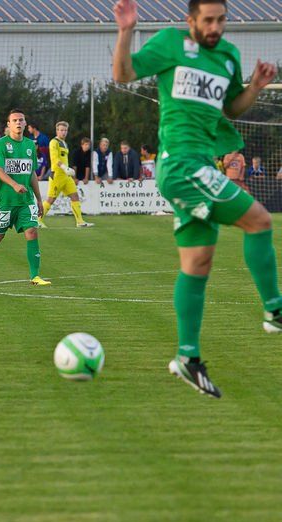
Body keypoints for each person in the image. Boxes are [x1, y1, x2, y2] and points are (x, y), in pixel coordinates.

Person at [113, 0, 282, 397]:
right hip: (180, 164)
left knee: (198, 263)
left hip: (202, 164)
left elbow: (231, 107)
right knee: (259, 220)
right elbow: (123, 74)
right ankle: (275, 310)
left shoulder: (228, 56)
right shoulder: (170, 43)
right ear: (190, 20)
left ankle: (187, 358)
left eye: (221, 20)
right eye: (208, 20)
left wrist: (254, 88)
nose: (215, 27)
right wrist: (125, 31)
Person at [0, 109, 50, 287]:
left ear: (25, 124)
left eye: (21, 120)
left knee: (32, 231)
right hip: (5, 201)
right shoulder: (1, 144)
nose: (18, 123)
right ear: (9, 124)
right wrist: (15, 185)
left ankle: (35, 276)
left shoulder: (30, 145)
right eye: (14, 120)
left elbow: (32, 173)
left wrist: (39, 199)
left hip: (25, 201)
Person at [38, 121, 94, 228]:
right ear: (57, 131)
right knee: (51, 199)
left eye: (65, 130)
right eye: (61, 130)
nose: (63, 132)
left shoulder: (64, 143)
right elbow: (55, 158)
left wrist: (68, 170)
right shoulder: (53, 142)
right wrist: (65, 168)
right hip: (57, 176)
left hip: (66, 177)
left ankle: (80, 222)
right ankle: (38, 220)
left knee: (75, 196)